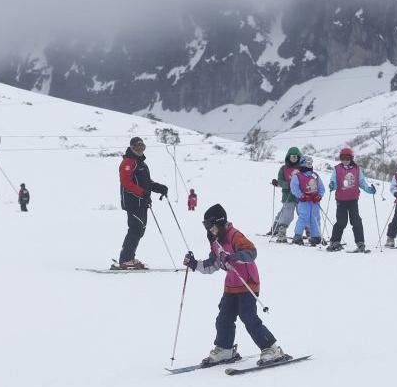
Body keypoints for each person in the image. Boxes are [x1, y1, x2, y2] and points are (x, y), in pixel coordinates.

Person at [182, 204, 288, 367]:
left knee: (248, 317)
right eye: (206, 226)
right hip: (231, 285)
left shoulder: (235, 236)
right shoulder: (216, 242)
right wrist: (195, 264)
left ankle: (271, 348)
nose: (209, 230)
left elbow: (251, 252)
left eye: (211, 226)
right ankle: (225, 348)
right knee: (224, 317)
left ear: (219, 222)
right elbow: (213, 264)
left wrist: (233, 257)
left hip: (248, 283)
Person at [116, 137, 169, 270]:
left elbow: (147, 183)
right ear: (132, 147)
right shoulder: (128, 162)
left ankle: (130, 258)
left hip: (142, 202)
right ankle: (125, 260)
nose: (140, 150)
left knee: (139, 230)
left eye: (142, 147)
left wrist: (160, 188)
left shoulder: (142, 164)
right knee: (135, 229)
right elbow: (126, 182)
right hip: (132, 202)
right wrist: (142, 193)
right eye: (137, 147)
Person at [326, 147, 376, 252]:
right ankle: (335, 241)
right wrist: (332, 185)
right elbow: (334, 181)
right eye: (342, 158)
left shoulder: (357, 169)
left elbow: (361, 182)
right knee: (341, 221)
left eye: (347, 158)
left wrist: (369, 190)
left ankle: (360, 242)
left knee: (356, 221)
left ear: (351, 158)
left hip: (353, 200)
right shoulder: (337, 169)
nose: (345, 160)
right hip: (341, 200)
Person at [289, 155, 325, 246]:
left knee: (315, 218)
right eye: (307, 163)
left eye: (311, 163)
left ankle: (315, 236)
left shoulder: (315, 175)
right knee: (303, 218)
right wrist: (302, 196)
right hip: (304, 201)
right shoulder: (298, 176)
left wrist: (319, 196)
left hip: (314, 201)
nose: (309, 165)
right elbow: (294, 188)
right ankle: (297, 236)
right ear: (303, 163)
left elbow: (321, 188)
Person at [268, 147, 302, 238]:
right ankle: (280, 229)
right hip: (288, 195)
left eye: (295, 156)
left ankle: (309, 230)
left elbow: (307, 179)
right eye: (292, 156)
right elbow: (281, 181)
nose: (294, 158)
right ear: (288, 157)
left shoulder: (302, 168)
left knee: (303, 212)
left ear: (299, 157)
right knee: (287, 213)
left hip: (300, 195)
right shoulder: (283, 168)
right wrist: (286, 184)